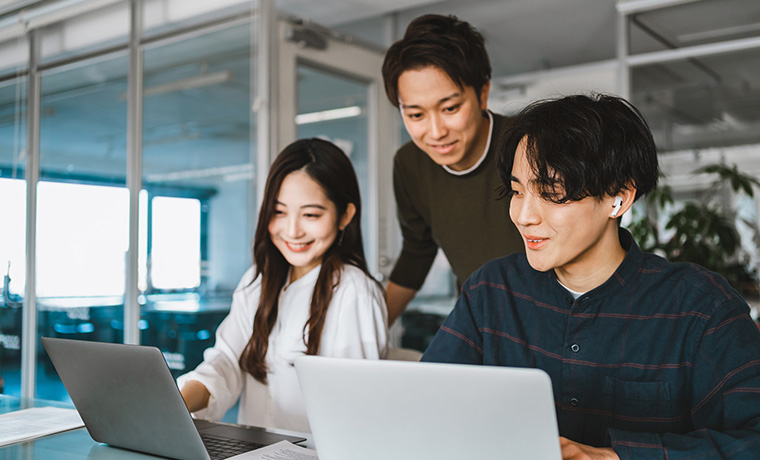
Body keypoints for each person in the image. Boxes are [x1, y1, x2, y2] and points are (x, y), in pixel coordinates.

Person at [422, 94, 760, 459]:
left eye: (551, 193)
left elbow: (752, 439)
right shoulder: (490, 291)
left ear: (618, 197)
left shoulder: (702, 308)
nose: (523, 215)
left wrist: (613, 456)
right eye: (517, 192)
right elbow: (425, 404)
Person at [179, 138, 388, 433]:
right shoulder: (258, 279)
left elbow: (361, 412)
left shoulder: (355, 292)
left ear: (345, 216)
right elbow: (226, 361)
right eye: (279, 212)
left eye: (311, 215)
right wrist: (178, 402)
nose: (292, 230)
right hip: (251, 452)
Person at [381, 14, 523, 325]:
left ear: (482, 93)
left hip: (557, 318)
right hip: (481, 322)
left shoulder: (530, 144)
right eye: (416, 115)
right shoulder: (409, 165)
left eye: (450, 109)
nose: (435, 132)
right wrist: (370, 332)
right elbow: (417, 251)